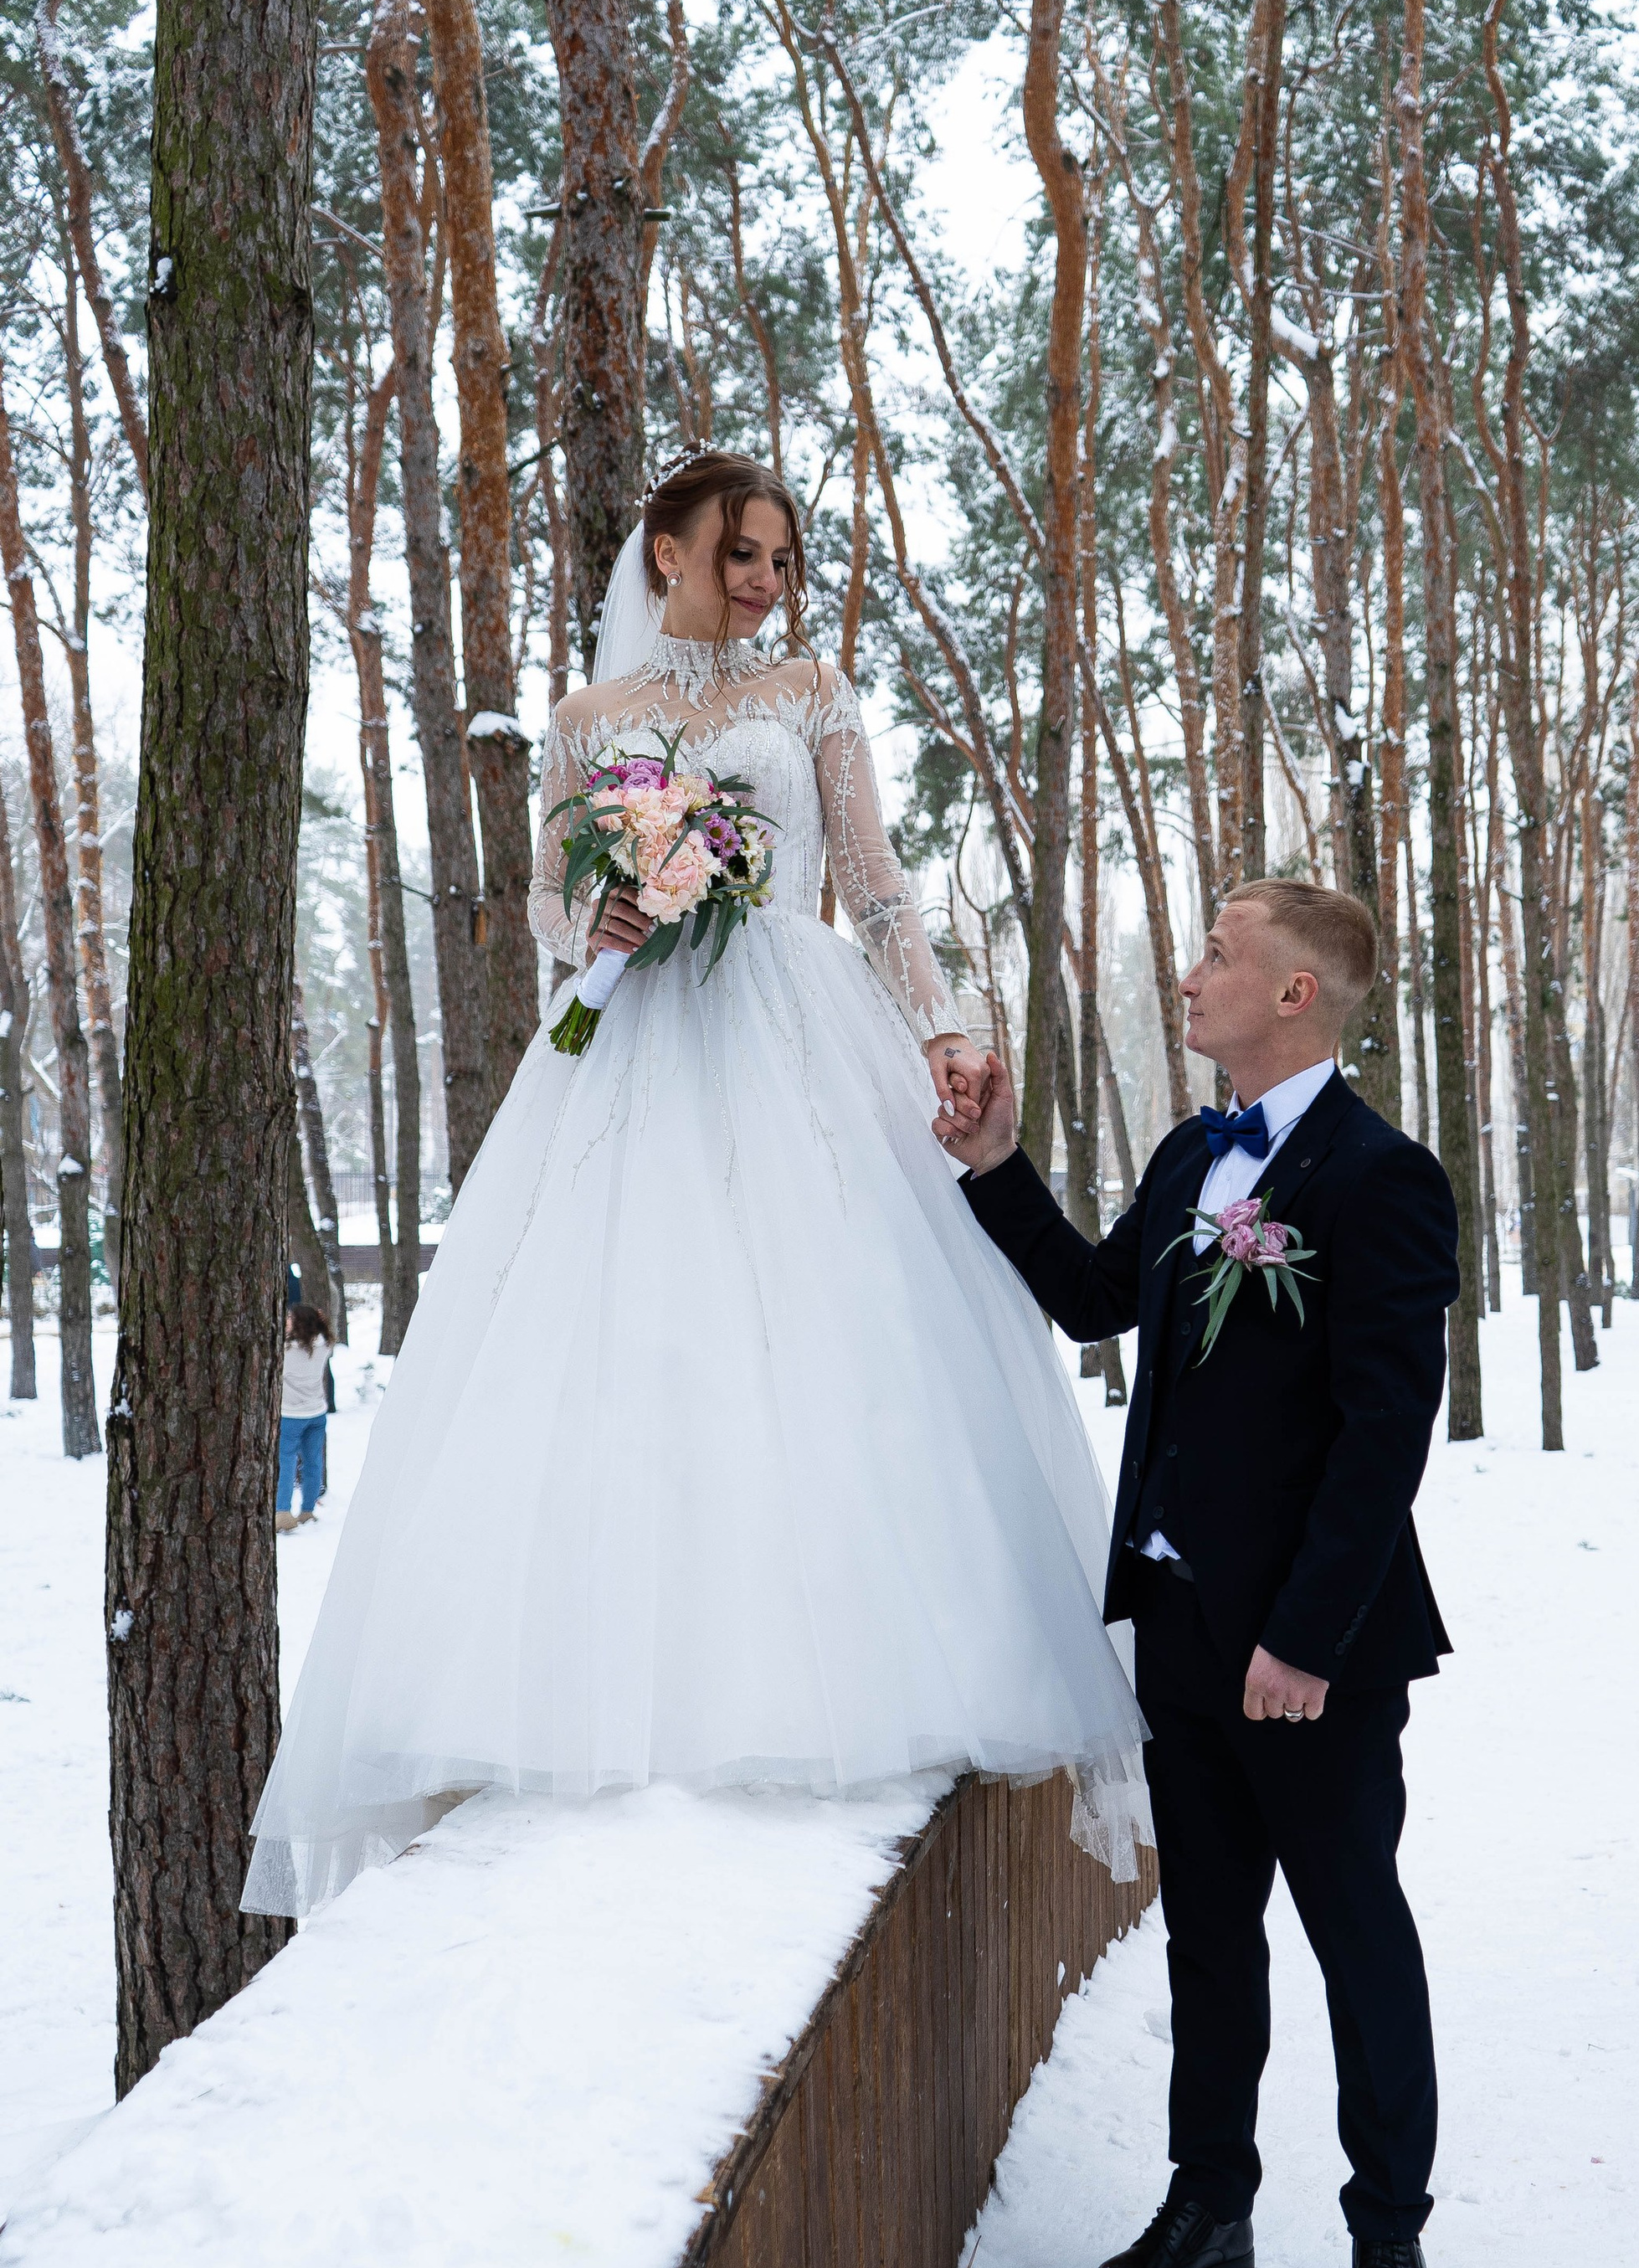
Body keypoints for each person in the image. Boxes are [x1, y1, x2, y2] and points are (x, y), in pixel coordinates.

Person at [243, 450, 1148, 1917]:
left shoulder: (810, 696)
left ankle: (842, 1676)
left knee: (824, 1324)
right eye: (741, 554)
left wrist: (941, 1025)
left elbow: (876, 877)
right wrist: (595, 910)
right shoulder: (589, 722)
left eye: (782, 561)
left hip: (800, 1029)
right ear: (662, 550)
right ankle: (603, 1688)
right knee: (622, 1332)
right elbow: (543, 898)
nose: (765, 584)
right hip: (631, 1037)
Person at [939, 882, 1459, 2268]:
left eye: (1218, 954)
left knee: (1356, 1932)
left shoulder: (1383, 1179)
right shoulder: (1187, 1156)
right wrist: (993, 1166)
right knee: (1207, 1937)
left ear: (1297, 994)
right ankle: (1207, 2205)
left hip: (1316, 1655)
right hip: (1173, 1625)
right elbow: (1101, 1303)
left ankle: (1388, 2237)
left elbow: (1382, 1439)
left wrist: (1301, 1640)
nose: (1191, 972)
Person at [276, 1302, 333, 1534]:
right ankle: (308, 1510)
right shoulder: (325, 1345)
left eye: (290, 1318)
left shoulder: (287, 1350)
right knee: (312, 1462)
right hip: (317, 1413)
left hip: (290, 1414)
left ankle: (282, 1512)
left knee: (286, 1462)